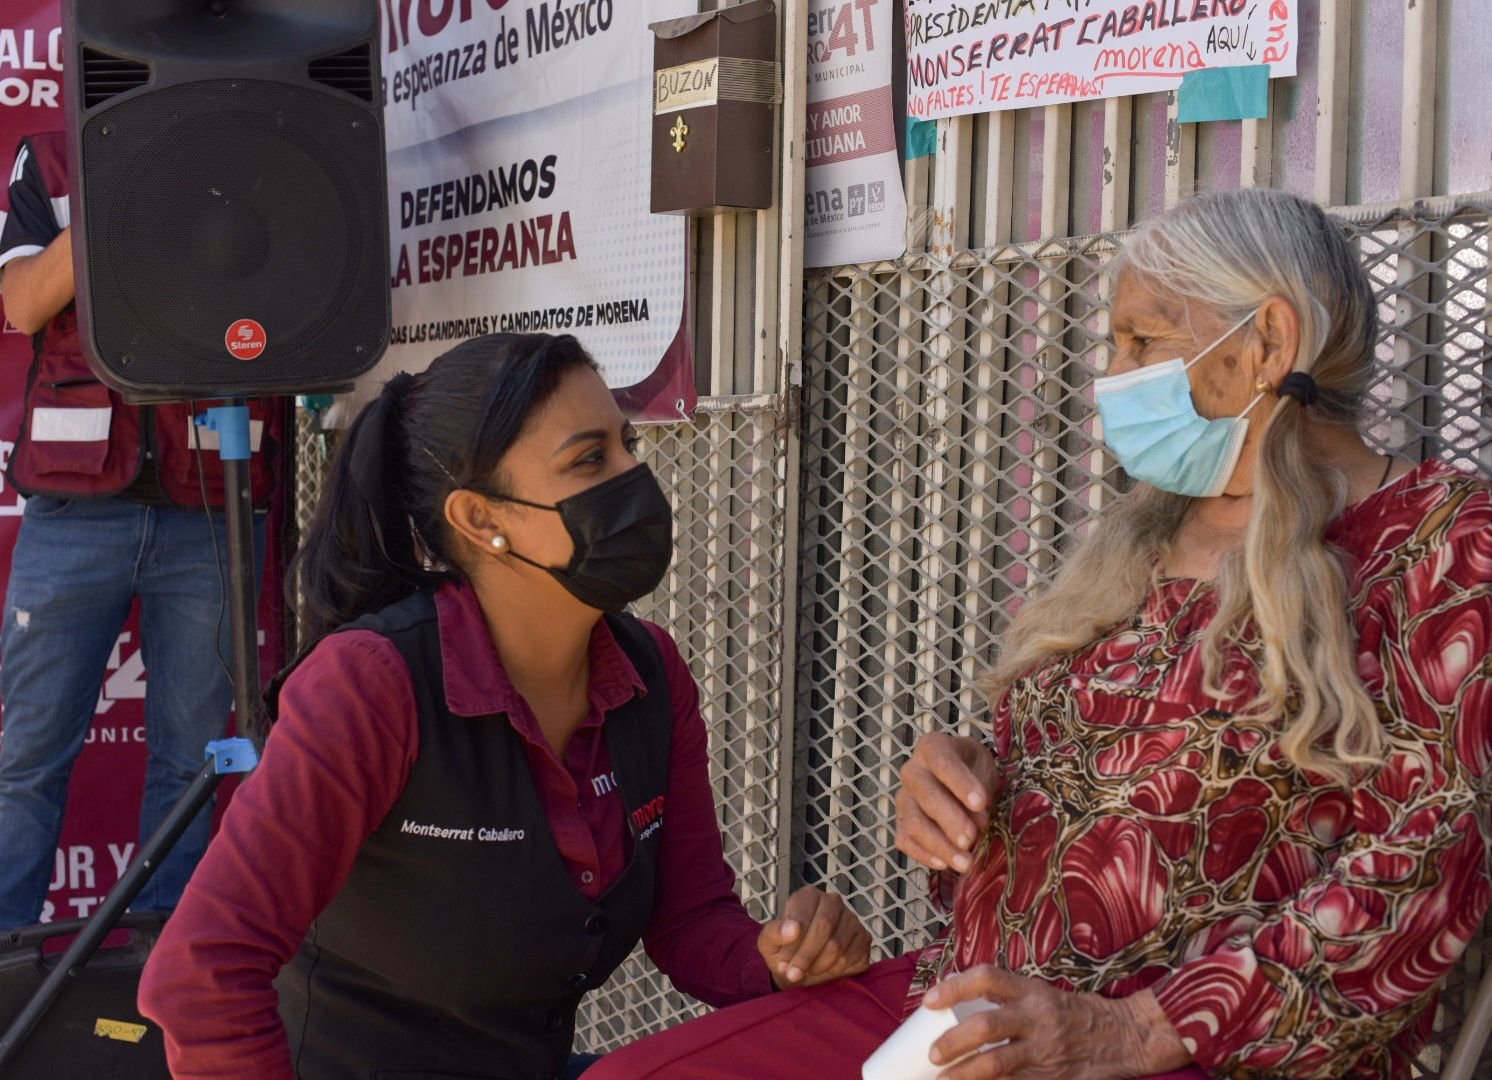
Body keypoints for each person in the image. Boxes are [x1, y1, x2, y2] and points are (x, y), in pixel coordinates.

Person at [582, 188, 1492, 1079]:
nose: (1114, 376)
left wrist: (1134, 1031)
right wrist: (963, 794)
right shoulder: (1145, 533)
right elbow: (1068, 804)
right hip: (981, 1006)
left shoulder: (1443, 542)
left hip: (1189, 1046)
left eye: (1142, 340)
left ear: (1268, 342)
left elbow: (1429, 860)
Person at [136, 332, 874, 1079]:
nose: (636, 476)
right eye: (589, 460)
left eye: (626, 445)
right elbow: (201, 975)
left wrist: (781, 955)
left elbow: (692, 922)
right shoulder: (371, 684)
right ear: (480, 519)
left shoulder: (650, 672)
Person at [0, 131, 280, 929]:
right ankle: (7, 966)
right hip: (74, 510)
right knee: (27, 763)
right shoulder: (57, 157)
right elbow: (23, 304)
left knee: (192, 765)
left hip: (213, 509)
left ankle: (163, 963)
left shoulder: (264, 151)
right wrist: (126, 179)